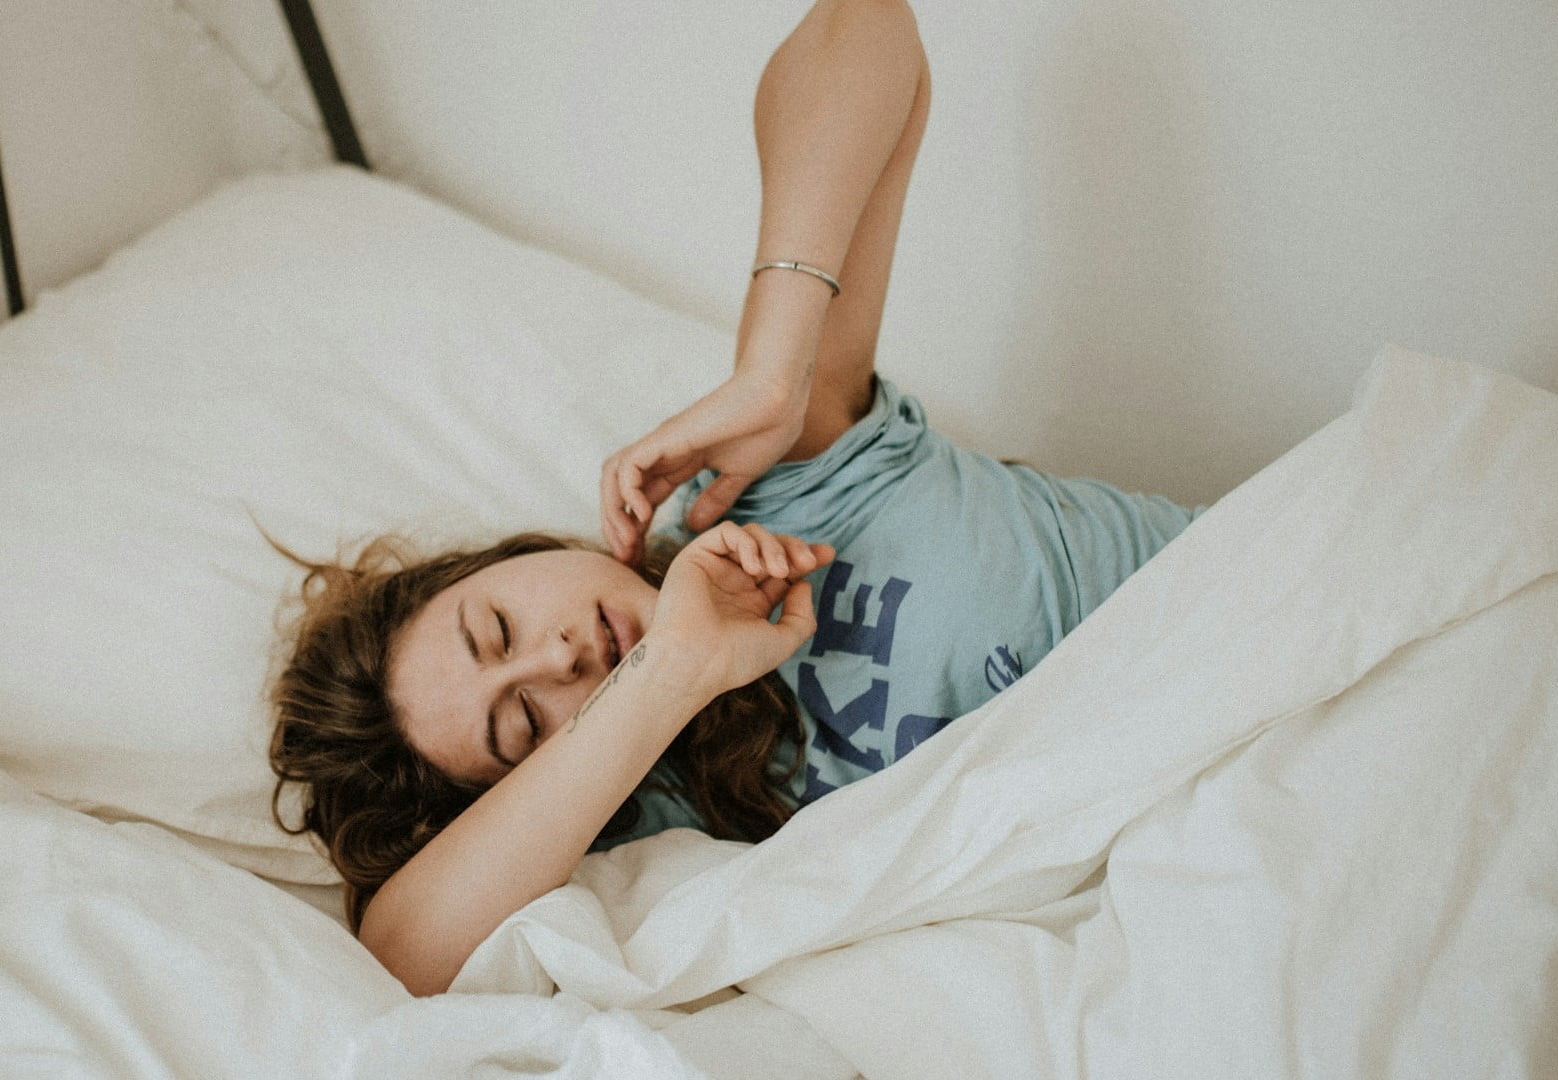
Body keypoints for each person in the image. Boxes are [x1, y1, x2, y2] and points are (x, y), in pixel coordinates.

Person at [268, 0, 1198, 997]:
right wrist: (669, 671)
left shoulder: (770, 490)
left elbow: (866, 30)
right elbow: (404, 956)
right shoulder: (660, 820)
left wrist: (771, 372)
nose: (558, 659)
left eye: (499, 629)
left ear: (515, 558)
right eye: (525, 724)